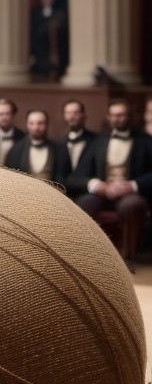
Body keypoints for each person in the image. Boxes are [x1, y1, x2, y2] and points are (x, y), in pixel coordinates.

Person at [68, 99, 152, 268]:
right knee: (84, 204)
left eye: (121, 115)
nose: (117, 119)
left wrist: (132, 185)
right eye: (113, 115)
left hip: (129, 193)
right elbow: (76, 176)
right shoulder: (97, 141)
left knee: (133, 205)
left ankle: (127, 259)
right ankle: (88, 257)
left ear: (129, 117)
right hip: (102, 192)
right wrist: (95, 184)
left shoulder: (144, 140)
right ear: (108, 117)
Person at [4, 109, 70, 186]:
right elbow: (10, 179)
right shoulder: (15, 150)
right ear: (27, 125)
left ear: (47, 124)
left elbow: (65, 179)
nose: (36, 127)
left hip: (52, 195)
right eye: (32, 123)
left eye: (40, 123)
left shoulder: (60, 150)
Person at [0, 98, 25, 166]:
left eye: (7, 114)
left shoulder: (23, 137)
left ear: (13, 115)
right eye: (0, 114)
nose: (4, 117)